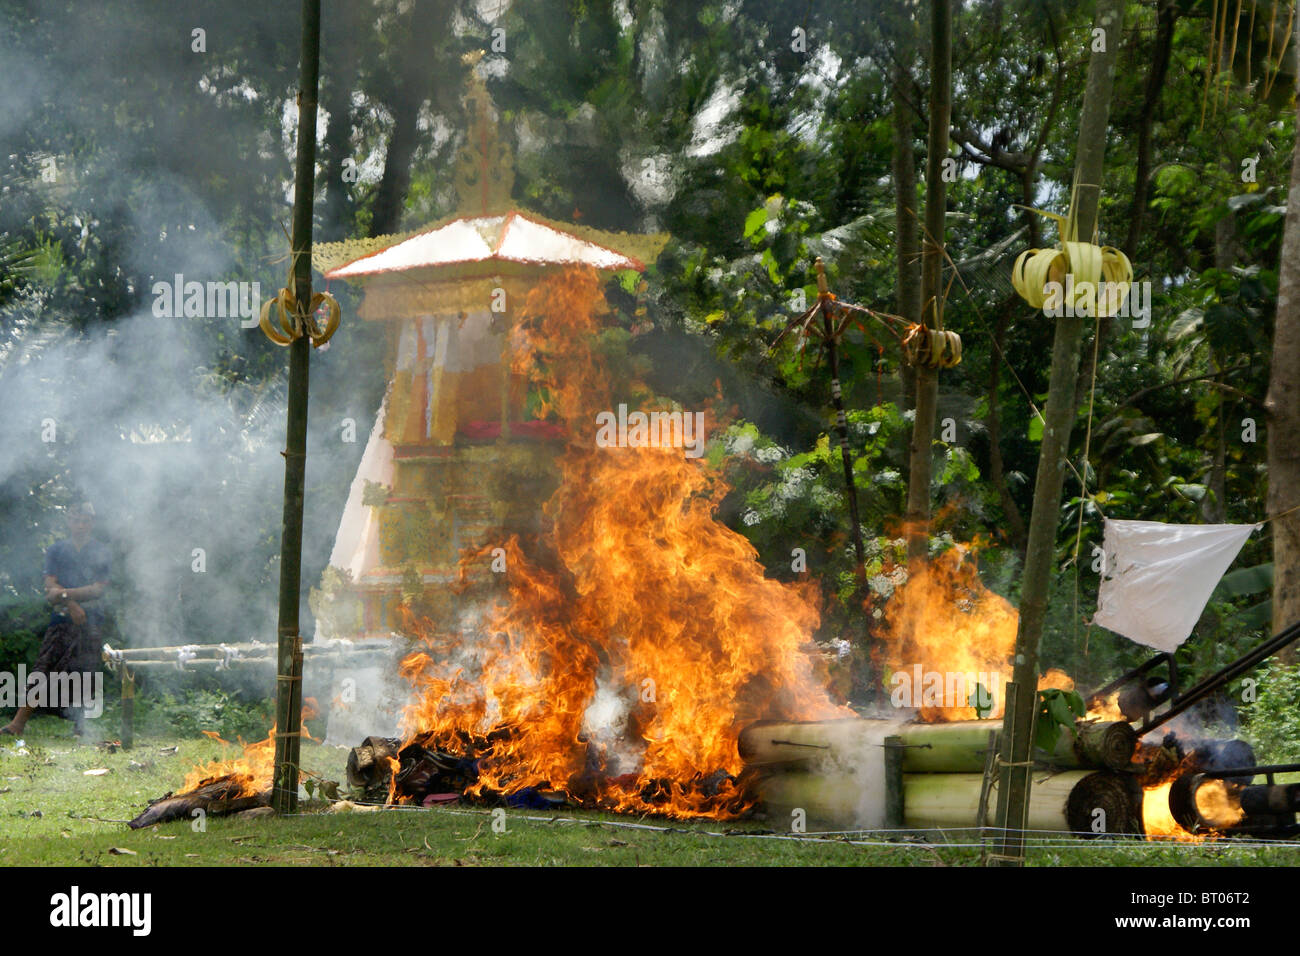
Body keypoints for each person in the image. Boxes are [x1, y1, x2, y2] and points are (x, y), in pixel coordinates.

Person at [1, 501, 111, 736]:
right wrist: (71, 603)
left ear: (92, 523)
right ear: (68, 521)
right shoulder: (56, 550)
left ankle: (82, 726)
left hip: (91, 618)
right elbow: (49, 585)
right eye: (76, 519)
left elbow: (98, 589)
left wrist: (63, 594)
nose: (80, 525)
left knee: (86, 671)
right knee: (44, 668)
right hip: (61, 617)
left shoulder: (101, 551)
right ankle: (18, 723)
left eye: (85, 520)